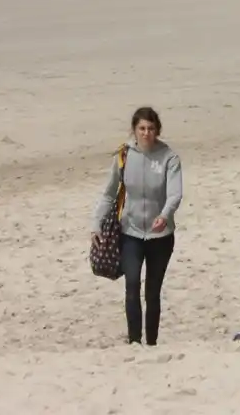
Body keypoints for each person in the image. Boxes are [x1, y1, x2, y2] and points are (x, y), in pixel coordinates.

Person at [92, 107, 184, 346]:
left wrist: (164, 215)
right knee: (131, 285)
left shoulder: (169, 158)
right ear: (134, 130)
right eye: (142, 128)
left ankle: (151, 343)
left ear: (157, 130)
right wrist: (96, 225)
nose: (146, 133)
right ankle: (134, 341)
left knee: (152, 292)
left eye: (151, 129)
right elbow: (109, 194)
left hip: (160, 236)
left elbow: (175, 194)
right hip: (130, 232)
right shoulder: (124, 156)